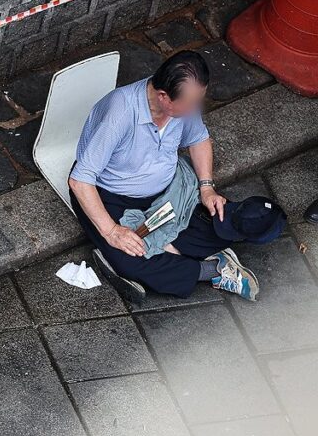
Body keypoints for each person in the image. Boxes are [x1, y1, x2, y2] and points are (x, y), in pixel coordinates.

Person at [68, 50, 281, 304]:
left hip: (169, 189)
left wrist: (206, 187)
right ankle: (213, 270)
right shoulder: (121, 112)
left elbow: (199, 138)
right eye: (190, 104)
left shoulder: (182, 106)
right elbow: (80, 180)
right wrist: (112, 231)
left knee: (223, 217)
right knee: (131, 256)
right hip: (114, 196)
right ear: (163, 96)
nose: (195, 109)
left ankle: (176, 252)